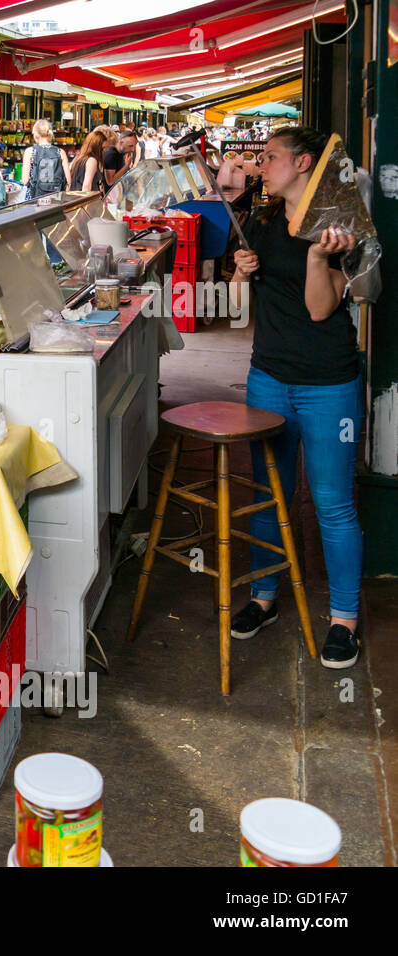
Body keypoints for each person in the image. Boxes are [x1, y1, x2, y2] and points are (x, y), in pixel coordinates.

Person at [227, 126, 365, 669]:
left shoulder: (336, 227)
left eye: (271, 157)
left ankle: (344, 620)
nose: (262, 167)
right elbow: (242, 311)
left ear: (304, 163)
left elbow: (318, 310)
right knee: (269, 491)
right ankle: (264, 597)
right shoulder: (260, 223)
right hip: (268, 377)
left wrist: (315, 261)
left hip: (328, 381)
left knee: (331, 503)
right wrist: (241, 275)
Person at [22, 118, 71, 199]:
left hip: (35, 198)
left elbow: (25, 181)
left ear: (36, 135)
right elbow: (68, 181)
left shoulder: (30, 151)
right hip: (56, 198)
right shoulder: (60, 152)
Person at [69, 127, 111, 193]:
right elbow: (86, 186)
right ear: (96, 147)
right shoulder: (92, 161)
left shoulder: (80, 158)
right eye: (103, 148)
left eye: (107, 147)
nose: (106, 150)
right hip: (86, 199)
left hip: (75, 197)